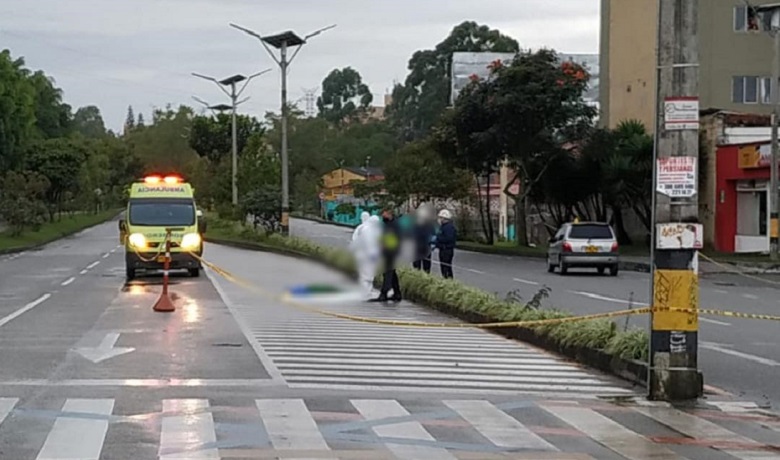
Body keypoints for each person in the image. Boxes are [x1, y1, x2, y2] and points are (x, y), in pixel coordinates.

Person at [371, 208, 402, 302]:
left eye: (383, 214)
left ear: (389, 214)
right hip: (387, 251)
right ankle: (397, 293)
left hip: (391, 252)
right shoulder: (388, 224)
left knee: (387, 272)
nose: (382, 217)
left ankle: (383, 294)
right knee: (392, 273)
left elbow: (395, 239)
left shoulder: (394, 225)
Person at [412, 206, 435, 273]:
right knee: (422, 264)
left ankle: (422, 275)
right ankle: (422, 275)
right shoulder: (428, 225)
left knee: (423, 264)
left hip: (422, 247)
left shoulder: (418, 224)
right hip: (421, 246)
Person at [436, 209, 457, 279]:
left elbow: (448, 238)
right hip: (443, 249)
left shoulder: (449, 227)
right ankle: (446, 279)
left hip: (446, 250)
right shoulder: (443, 227)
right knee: (444, 267)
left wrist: (437, 238)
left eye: (440, 218)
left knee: (446, 267)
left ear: (444, 218)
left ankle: (448, 280)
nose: (439, 219)